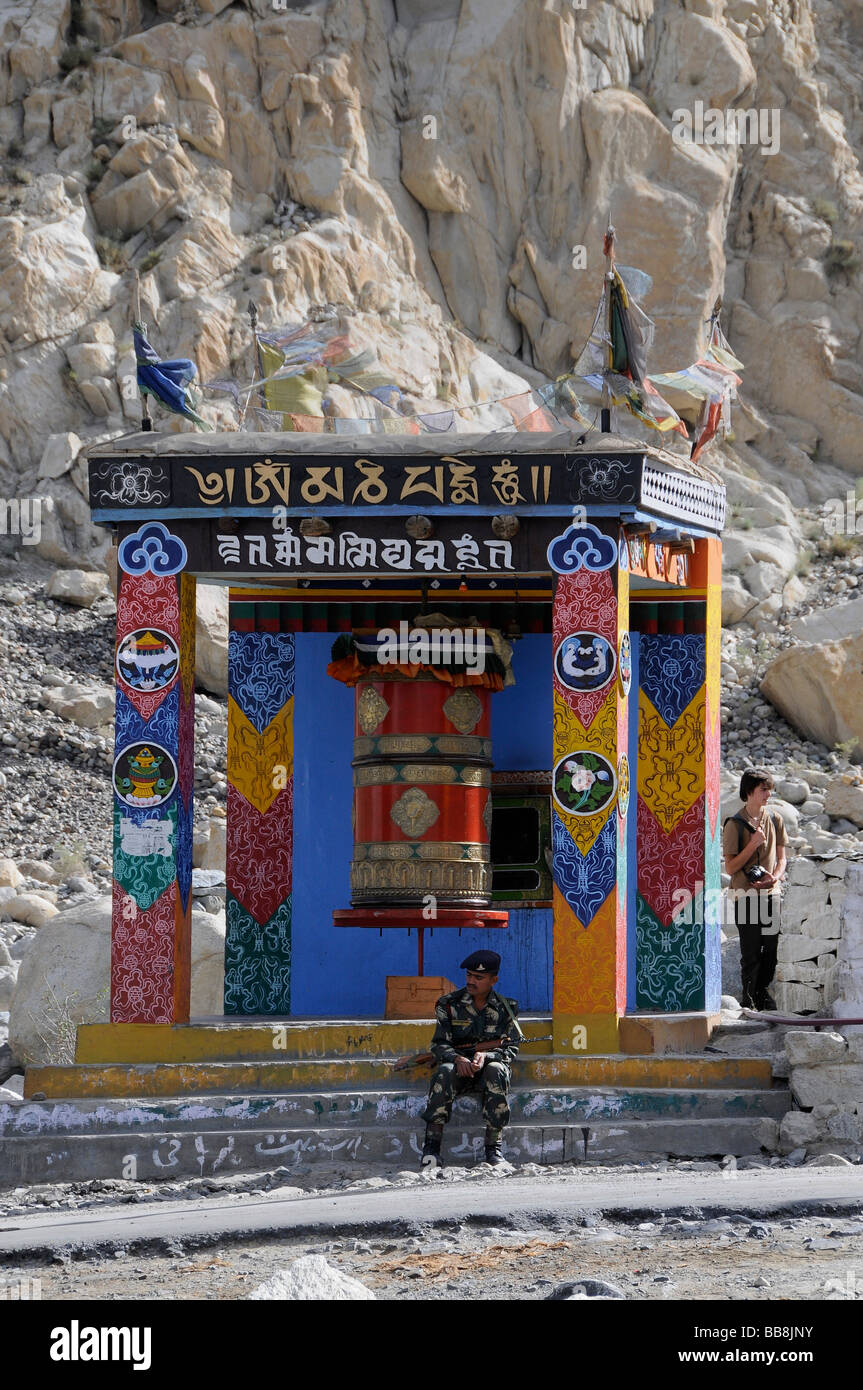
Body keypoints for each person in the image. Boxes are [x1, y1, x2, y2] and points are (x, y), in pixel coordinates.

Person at [419, 950, 520, 1169]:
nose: (471, 981)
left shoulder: (506, 1008)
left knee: (496, 1070)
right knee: (443, 1071)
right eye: (469, 976)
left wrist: (486, 1056)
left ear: (494, 980)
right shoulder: (449, 1004)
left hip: (487, 1069)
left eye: (479, 977)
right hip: (458, 1068)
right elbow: (439, 1044)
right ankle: (431, 1150)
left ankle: (494, 1150)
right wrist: (457, 1059)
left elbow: (511, 1047)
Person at [722, 768, 789, 1011]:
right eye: (763, 789)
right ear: (749, 792)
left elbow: (782, 858)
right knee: (751, 951)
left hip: (772, 894)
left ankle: (762, 996)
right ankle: (749, 1001)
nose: (768, 794)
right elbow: (730, 868)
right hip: (745, 896)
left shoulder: (776, 819)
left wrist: (775, 878)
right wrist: (753, 845)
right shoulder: (734, 825)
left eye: (769, 789)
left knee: (770, 949)